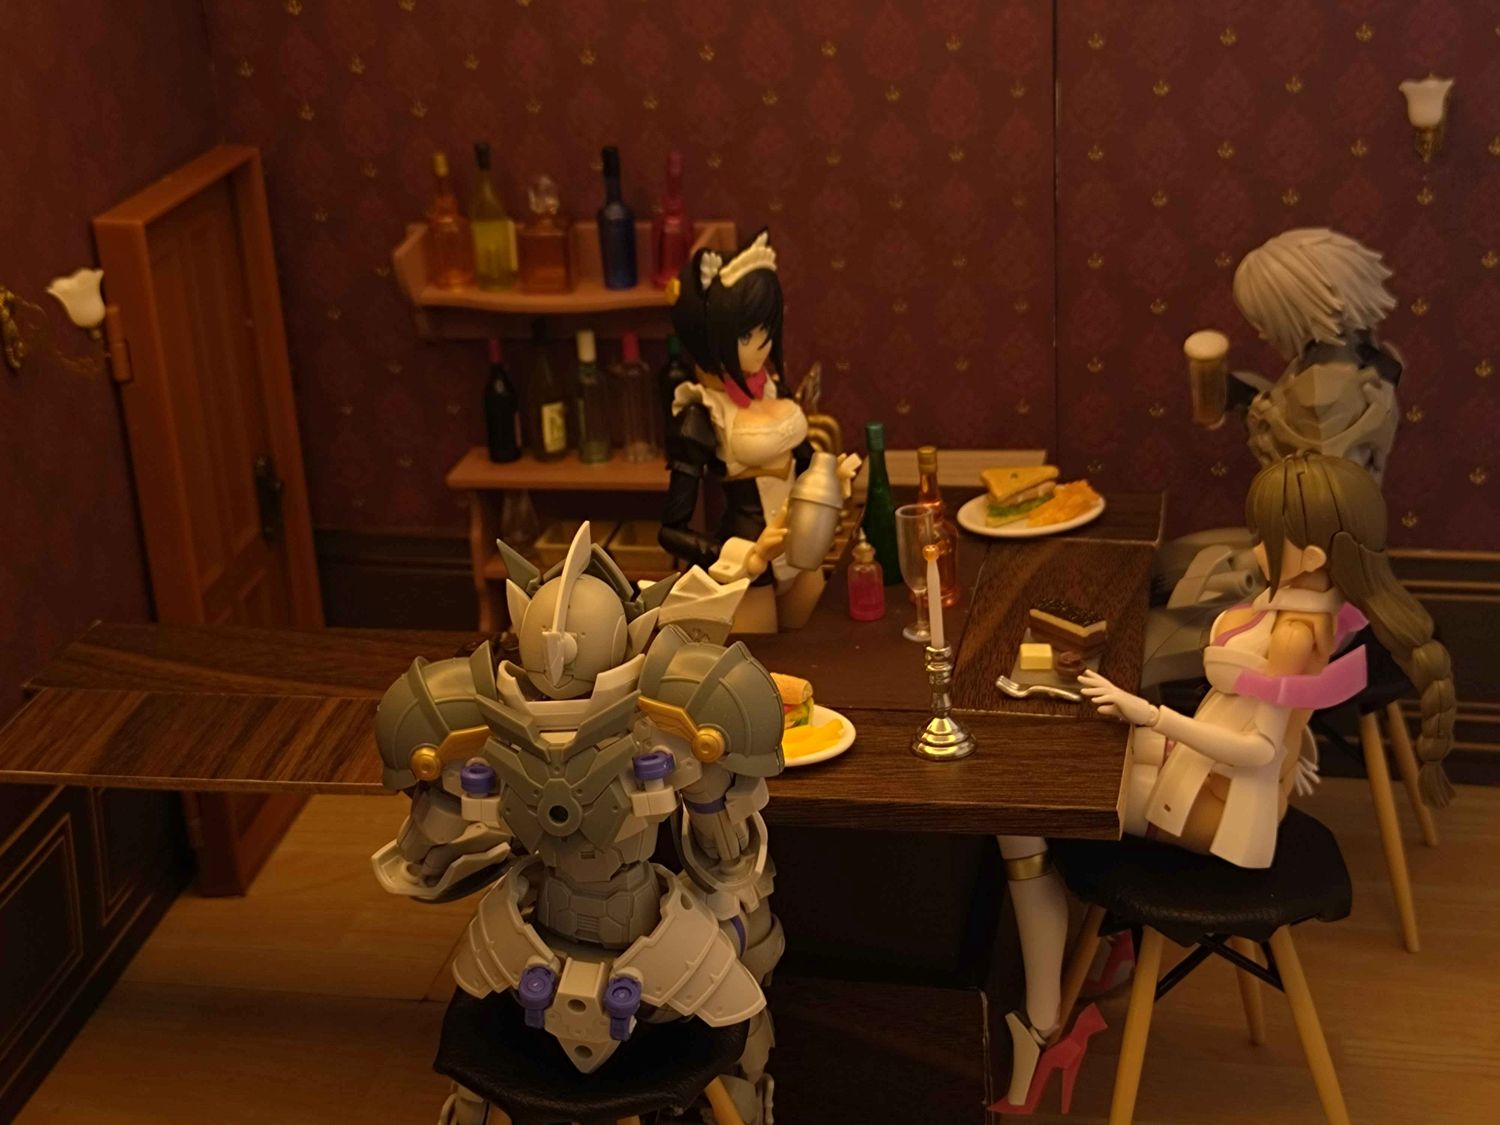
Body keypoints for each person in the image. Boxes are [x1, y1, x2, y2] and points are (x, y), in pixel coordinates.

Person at [993, 453, 1455, 1114]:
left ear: (1312, 553)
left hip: (1219, 812)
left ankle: (1042, 1028)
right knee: (1076, 747)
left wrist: (1150, 714)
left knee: (1024, 803)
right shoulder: (1308, 599)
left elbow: (1260, 749)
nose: (1256, 546)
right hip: (1206, 776)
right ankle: (1106, 952)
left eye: (1267, 536)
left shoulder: (1296, 632)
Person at [660, 229, 858, 631]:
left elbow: (805, 458)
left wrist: (831, 475)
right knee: (763, 664)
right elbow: (671, 531)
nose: (763, 345)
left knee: (821, 648)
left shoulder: (772, 388)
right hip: (750, 562)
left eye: (767, 330)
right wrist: (742, 557)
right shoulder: (701, 414)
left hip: (802, 550)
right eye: (747, 335)